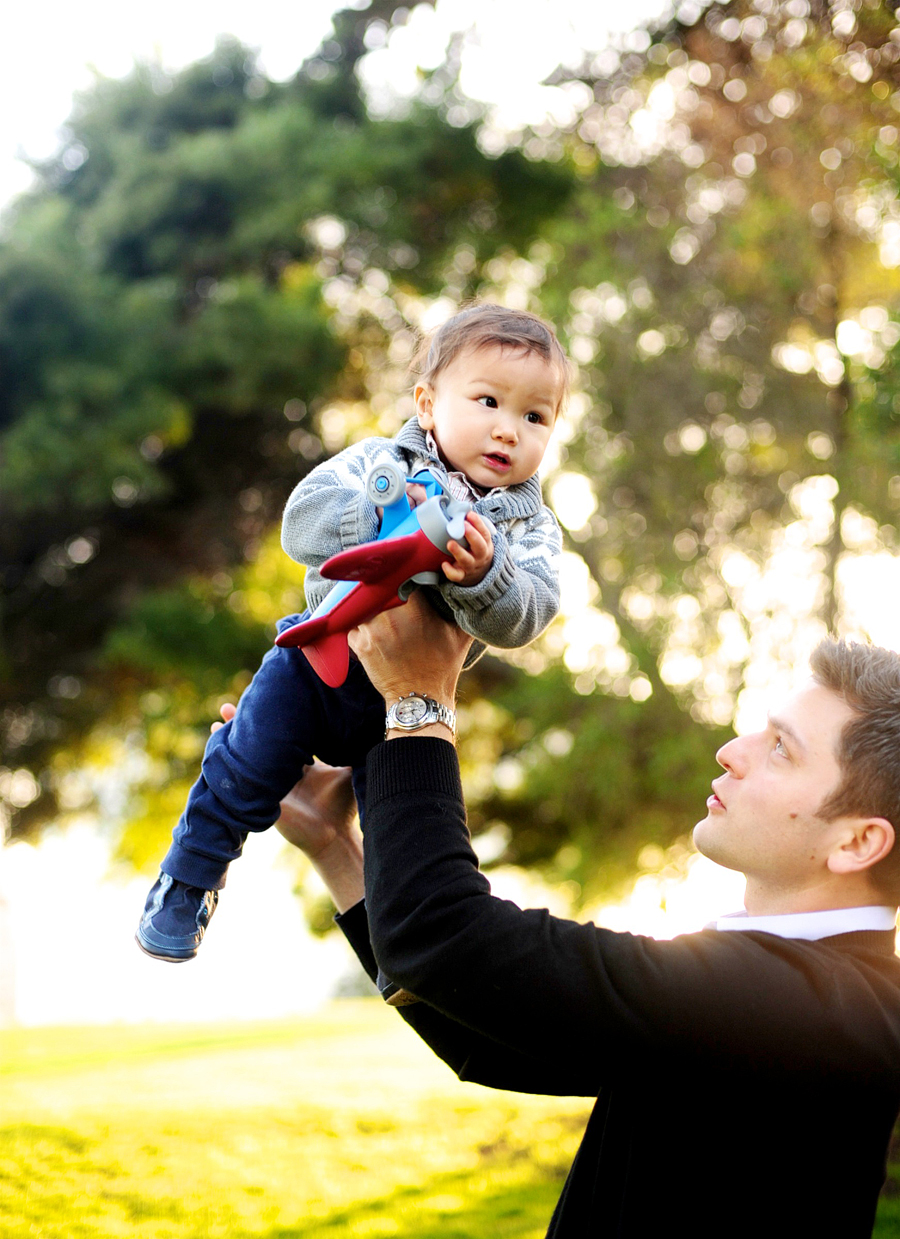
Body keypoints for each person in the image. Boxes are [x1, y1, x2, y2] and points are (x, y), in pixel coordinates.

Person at [277, 592, 900, 1237]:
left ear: (857, 842)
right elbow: (486, 1040)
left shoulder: (806, 1006)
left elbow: (441, 936)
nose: (733, 751)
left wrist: (417, 704)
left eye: (781, 750)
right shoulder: (816, 994)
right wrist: (335, 846)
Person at [136, 303, 568, 965]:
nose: (508, 429)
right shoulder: (374, 463)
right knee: (242, 763)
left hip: (404, 710)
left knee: (402, 841)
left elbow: (529, 614)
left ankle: (401, 953)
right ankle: (189, 877)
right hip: (315, 660)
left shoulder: (525, 529)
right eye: (488, 401)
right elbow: (300, 524)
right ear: (427, 403)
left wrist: (486, 572)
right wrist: (381, 510)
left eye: (535, 416)